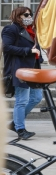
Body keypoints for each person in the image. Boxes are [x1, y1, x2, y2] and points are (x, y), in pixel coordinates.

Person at [2, 7, 43, 140]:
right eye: (26, 15)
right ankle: (20, 128)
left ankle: (15, 123)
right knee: (22, 100)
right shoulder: (11, 29)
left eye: (30, 14)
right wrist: (28, 51)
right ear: (17, 16)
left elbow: (36, 48)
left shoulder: (32, 31)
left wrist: (38, 55)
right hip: (19, 69)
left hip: (33, 69)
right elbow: (7, 47)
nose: (29, 17)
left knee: (37, 97)